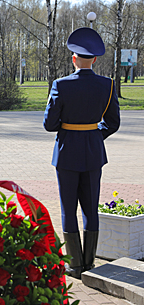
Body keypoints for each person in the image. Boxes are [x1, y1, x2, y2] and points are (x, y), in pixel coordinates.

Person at [43, 27, 120, 279]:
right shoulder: (107, 85)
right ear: (95, 59)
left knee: (68, 208)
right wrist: (95, 135)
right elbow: (113, 122)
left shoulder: (60, 85)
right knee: (90, 208)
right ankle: (90, 263)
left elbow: (49, 124)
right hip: (93, 152)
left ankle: (75, 266)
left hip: (66, 153)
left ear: (73, 58)